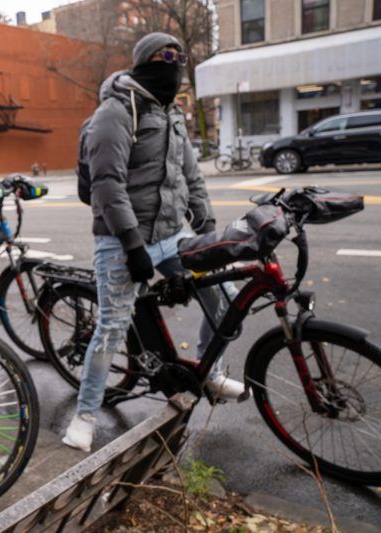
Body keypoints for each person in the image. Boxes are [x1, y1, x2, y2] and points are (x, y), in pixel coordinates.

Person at [63, 33, 244, 453]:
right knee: (111, 328)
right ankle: (84, 416)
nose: (175, 66)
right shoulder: (115, 112)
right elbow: (107, 185)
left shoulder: (172, 113)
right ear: (145, 62)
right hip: (121, 240)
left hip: (173, 233)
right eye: (167, 57)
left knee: (225, 297)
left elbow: (190, 175)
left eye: (180, 58)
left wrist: (206, 223)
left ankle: (210, 372)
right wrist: (132, 244)